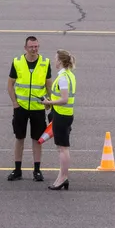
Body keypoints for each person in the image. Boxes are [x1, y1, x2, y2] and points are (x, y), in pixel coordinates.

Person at [7, 35, 51, 182]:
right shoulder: (17, 62)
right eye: (31, 47)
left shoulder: (45, 63)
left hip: (38, 108)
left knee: (37, 139)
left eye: (36, 46)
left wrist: (49, 103)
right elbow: (10, 85)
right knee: (19, 138)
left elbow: (48, 85)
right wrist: (15, 103)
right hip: (21, 107)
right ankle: (17, 169)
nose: (34, 49)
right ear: (25, 48)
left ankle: (37, 170)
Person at [41, 49, 76, 190]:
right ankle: (62, 176)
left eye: (56, 59)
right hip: (65, 114)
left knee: (63, 148)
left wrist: (48, 103)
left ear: (60, 61)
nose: (54, 61)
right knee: (63, 148)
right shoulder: (69, 75)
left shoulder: (63, 77)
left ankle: (63, 177)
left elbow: (64, 99)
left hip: (62, 115)